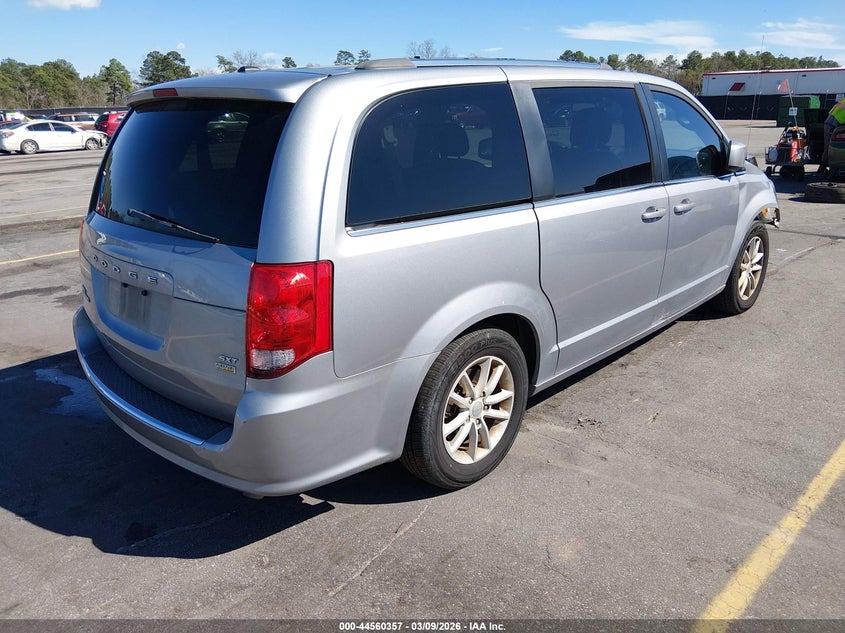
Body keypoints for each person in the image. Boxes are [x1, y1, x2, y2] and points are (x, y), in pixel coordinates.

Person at [821, 97, 845, 174]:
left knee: (828, 146)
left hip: (830, 122)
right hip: (834, 124)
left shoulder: (843, 100)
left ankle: (824, 166)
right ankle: (824, 167)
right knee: (829, 147)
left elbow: (837, 106)